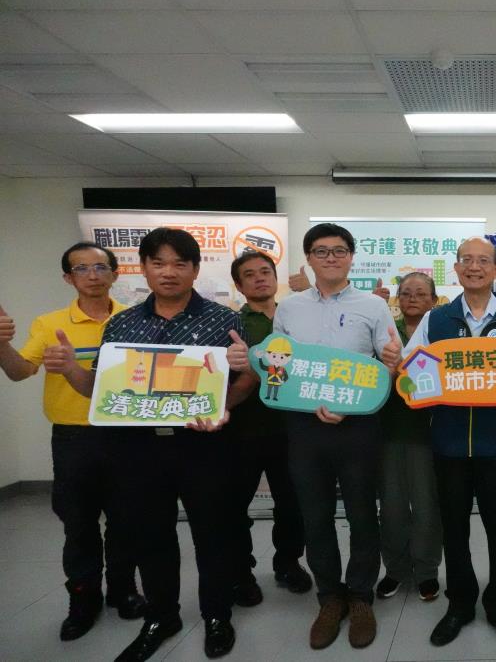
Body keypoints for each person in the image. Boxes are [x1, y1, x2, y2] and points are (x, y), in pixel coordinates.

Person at [48, 228, 249, 661]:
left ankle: (217, 614)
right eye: (158, 263)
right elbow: (98, 390)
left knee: (214, 534)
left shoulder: (224, 319)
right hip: (138, 449)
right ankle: (161, 616)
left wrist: (225, 404)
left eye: (179, 263)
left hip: (204, 446)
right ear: (143, 268)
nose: (169, 272)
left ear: (195, 269)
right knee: (150, 536)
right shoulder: (122, 324)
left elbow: (243, 381)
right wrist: (69, 369)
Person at [228, 223, 401, 651]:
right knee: (315, 515)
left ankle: (360, 596)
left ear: (351, 257)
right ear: (308, 258)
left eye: (339, 250)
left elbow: (387, 367)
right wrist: (251, 361)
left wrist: (389, 367)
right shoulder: (289, 309)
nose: (331, 258)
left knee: (362, 513)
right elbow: (282, 366)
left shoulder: (374, 306)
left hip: (358, 423)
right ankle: (329, 598)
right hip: (304, 426)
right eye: (321, 251)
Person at [0, 242, 145, 641]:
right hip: (73, 439)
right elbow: (19, 371)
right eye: (81, 268)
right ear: (68, 278)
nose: (92, 275)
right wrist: (1, 345)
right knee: (78, 524)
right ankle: (83, 600)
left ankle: (123, 590)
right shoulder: (49, 323)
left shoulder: (135, 319)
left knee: (126, 521)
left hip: (127, 435)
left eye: (100, 267)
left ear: (115, 273)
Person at [402, 236, 496, 650]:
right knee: (454, 528)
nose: (475, 267)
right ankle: (460, 603)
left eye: (483, 261)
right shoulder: (436, 320)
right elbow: (411, 373)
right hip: (449, 441)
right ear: (456, 269)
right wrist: (400, 367)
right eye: (467, 260)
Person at [227, 251, 312, 608]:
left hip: (292, 430)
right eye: (250, 274)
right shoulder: (230, 322)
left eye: (265, 271)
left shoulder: (297, 315)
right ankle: (241, 572)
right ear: (239, 284)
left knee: (292, 504)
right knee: (234, 506)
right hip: (242, 431)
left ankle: (288, 563)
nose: (260, 278)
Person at [375, 271, 443, 602]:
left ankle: (427, 571)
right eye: (405, 293)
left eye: (420, 293)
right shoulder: (384, 330)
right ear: (397, 299)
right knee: (391, 506)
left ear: (434, 299)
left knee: (428, 506)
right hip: (388, 429)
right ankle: (395, 569)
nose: (412, 298)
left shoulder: (442, 332)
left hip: (429, 432)